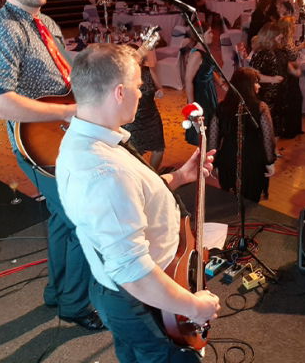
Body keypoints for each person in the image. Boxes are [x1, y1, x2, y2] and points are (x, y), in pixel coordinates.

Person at [56, 44, 220, 362]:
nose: (141, 94)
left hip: (128, 292)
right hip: (140, 301)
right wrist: (194, 306)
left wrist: (180, 176)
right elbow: (135, 273)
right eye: (138, 86)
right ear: (119, 92)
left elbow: (130, 199)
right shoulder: (104, 173)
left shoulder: (89, 138)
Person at [0, 0, 101, 330]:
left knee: (64, 220)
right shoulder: (3, 28)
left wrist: (98, 61)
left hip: (61, 136)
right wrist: (67, 112)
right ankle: (75, 305)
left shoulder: (45, 21)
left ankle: (57, 293)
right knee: (82, 222)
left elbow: (62, 74)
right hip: (37, 146)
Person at [208, 68, 276, 202]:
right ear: (248, 85)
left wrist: (214, 163)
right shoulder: (261, 107)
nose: (259, 86)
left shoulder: (222, 107)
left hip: (228, 160)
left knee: (229, 200)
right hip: (253, 162)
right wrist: (269, 162)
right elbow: (268, 138)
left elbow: (212, 140)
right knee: (250, 201)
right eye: (256, 82)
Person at [122, 47, 166, 171]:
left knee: (159, 149)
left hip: (152, 117)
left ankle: (153, 174)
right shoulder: (123, 77)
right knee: (135, 154)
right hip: (133, 121)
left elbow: (160, 88)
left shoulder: (149, 71)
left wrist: (160, 92)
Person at [249, 22, 287, 137]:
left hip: (277, 96)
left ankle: (273, 146)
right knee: (268, 128)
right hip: (267, 97)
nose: (281, 37)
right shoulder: (262, 53)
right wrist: (272, 79)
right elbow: (253, 75)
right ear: (271, 36)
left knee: (276, 127)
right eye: (278, 35)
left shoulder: (276, 50)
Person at [184, 29, 220, 146]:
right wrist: (192, 106)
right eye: (209, 32)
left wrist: (221, 83)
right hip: (201, 95)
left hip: (209, 92)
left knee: (210, 129)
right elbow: (188, 80)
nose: (212, 35)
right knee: (203, 132)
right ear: (200, 35)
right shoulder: (196, 54)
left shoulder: (204, 50)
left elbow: (208, 69)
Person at [278, 16, 304, 138]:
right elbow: (287, 60)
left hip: (292, 73)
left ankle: (295, 128)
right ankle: (290, 130)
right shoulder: (283, 41)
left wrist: (299, 48)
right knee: (292, 100)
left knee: (296, 100)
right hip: (288, 75)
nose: (294, 26)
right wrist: (295, 68)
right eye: (292, 25)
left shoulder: (288, 39)